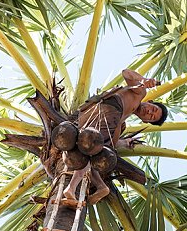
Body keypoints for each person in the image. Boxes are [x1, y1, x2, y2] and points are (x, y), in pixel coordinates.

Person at [63, 69, 168, 204]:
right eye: (153, 109)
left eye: (151, 117)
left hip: (95, 118)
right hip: (105, 108)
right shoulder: (140, 92)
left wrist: (124, 142)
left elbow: (111, 143)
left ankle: (88, 187)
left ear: (145, 121)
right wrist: (143, 80)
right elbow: (126, 73)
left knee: (94, 153)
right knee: (89, 149)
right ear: (150, 101)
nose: (149, 112)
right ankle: (79, 187)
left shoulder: (121, 121)